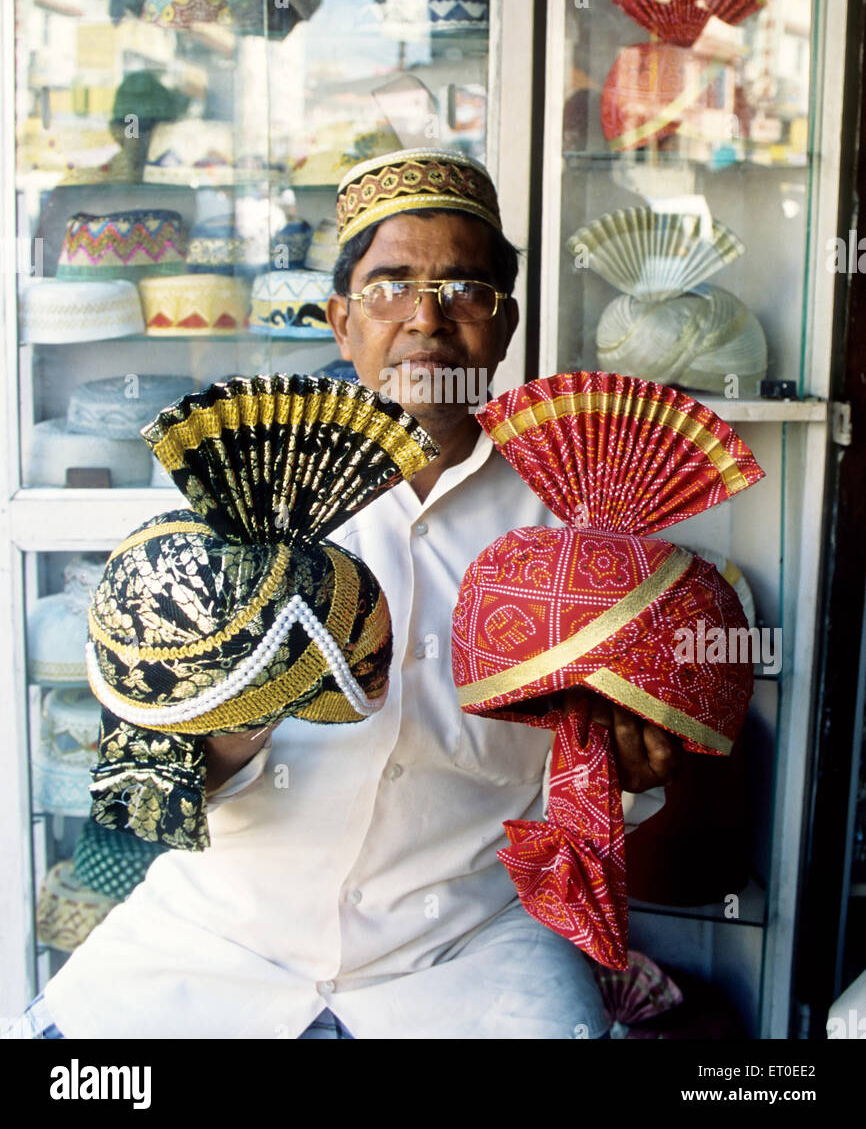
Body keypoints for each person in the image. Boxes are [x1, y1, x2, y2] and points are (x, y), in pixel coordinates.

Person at [16, 149, 680, 1040]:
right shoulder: (235, 504)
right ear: (340, 318)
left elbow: (599, 807)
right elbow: (142, 783)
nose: (426, 321)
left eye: (465, 289)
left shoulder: (584, 529)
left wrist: (624, 778)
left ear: (506, 322)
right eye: (390, 286)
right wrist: (240, 716)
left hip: (467, 955)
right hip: (211, 946)